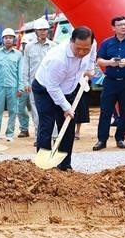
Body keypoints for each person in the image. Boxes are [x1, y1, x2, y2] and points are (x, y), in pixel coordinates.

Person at [32, 26, 96, 171]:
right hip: (45, 89)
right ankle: (43, 166)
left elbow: (92, 54)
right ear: (71, 42)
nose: (81, 52)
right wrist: (66, 107)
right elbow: (52, 87)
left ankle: (65, 165)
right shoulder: (58, 59)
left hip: (69, 88)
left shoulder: (90, 45)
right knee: (47, 125)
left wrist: (90, 67)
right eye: (78, 48)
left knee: (68, 126)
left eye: (85, 49)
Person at [94, 16, 125, 150]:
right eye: (120, 25)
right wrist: (110, 62)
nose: (123, 27)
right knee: (105, 111)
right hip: (110, 82)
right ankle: (102, 140)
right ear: (113, 28)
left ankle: (120, 138)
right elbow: (99, 60)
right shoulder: (107, 43)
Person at [22, 18, 56, 144]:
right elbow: (26, 66)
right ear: (36, 31)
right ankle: (39, 136)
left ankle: (54, 136)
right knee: (36, 110)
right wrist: (25, 82)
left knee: (52, 108)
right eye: (40, 30)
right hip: (34, 84)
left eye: (45, 30)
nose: (43, 32)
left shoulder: (54, 46)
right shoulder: (29, 47)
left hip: (51, 83)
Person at [0, 28, 24, 142]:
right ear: (2, 39)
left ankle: (9, 134)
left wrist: (20, 87)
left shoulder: (18, 55)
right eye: (6, 38)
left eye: (10, 38)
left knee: (13, 111)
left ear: (14, 40)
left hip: (13, 87)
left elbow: (21, 72)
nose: (8, 40)